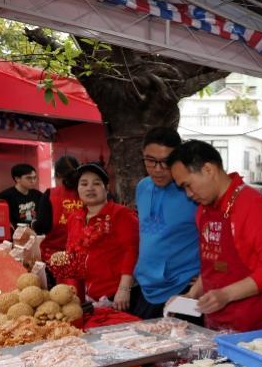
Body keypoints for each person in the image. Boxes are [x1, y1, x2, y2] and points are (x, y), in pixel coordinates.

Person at [167, 140, 262, 331]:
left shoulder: (253, 205)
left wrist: (226, 295)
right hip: (215, 319)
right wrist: (192, 295)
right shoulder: (203, 211)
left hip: (254, 321)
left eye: (188, 185)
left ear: (208, 169)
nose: (188, 195)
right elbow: (211, 265)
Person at [130, 128, 200, 319]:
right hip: (145, 287)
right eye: (150, 160)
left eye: (166, 162)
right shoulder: (143, 187)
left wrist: (204, 276)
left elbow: (215, 237)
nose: (158, 169)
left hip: (183, 288)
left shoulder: (193, 191)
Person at [66, 162, 139, 312]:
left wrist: (124, 289)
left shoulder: (122, 214)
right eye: (84, 184)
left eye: (96, 183)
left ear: (107, 188)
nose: (90, 188)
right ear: (77, 189)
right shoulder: (74, 218)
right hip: (84, 297)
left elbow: (131, 252)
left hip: (116, 296)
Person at [32, 155, 83, 264]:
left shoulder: (50, 194)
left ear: (57, 175)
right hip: (82, 257)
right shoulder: (87, 193)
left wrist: (33, 225)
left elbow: (42, 226)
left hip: (54, 257)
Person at [0, 163, 43, 234]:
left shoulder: (38, 195)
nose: (33, 181)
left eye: (34, 177)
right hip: (16, 236)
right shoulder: (4, 197)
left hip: (35, 234)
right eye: (29, 178)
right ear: (17, 179)